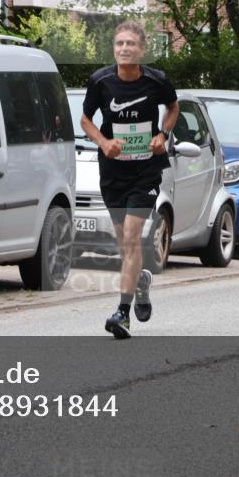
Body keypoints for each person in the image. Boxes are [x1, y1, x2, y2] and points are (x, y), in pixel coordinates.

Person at [80, 21, 179, 339]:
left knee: (133, 236)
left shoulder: (156, 80)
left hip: (146, 170)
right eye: (119, 43)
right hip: (113, 170)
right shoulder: (101, 81)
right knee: (124, 241)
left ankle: (122, 313)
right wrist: (103, 143)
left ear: (142, 49)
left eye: (131, 44)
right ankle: (141, 283)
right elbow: (85, 119)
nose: (124, 48)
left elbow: (173, 107)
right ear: (114, 48)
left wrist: (163, 134)